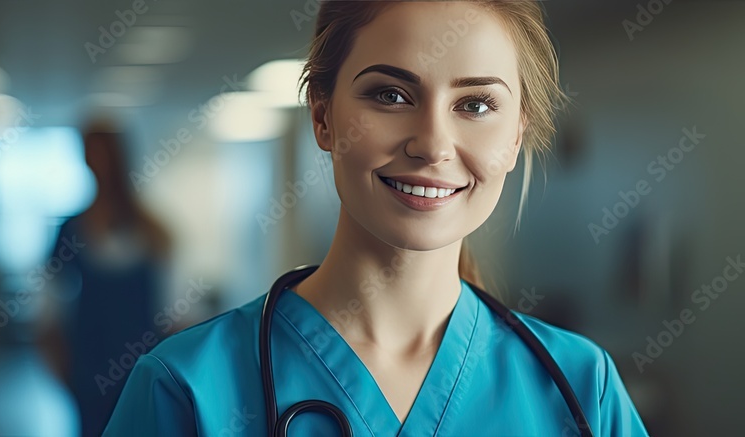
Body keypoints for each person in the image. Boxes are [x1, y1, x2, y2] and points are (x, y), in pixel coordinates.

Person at [104, 1, 649, 435]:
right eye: (391, 94)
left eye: (476, 104)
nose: (434, 144)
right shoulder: (188, 388)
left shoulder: (582, 389)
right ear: (323, 117)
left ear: (516, 136)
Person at [37, 117, 172, 437]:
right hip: (89, 368)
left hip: (143, 364)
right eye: (89, 154)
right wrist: (60, 367)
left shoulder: (152, 231)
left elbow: (171, 310)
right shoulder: (70, 230)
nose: (97, 163)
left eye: (103, 154)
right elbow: (49, 309)